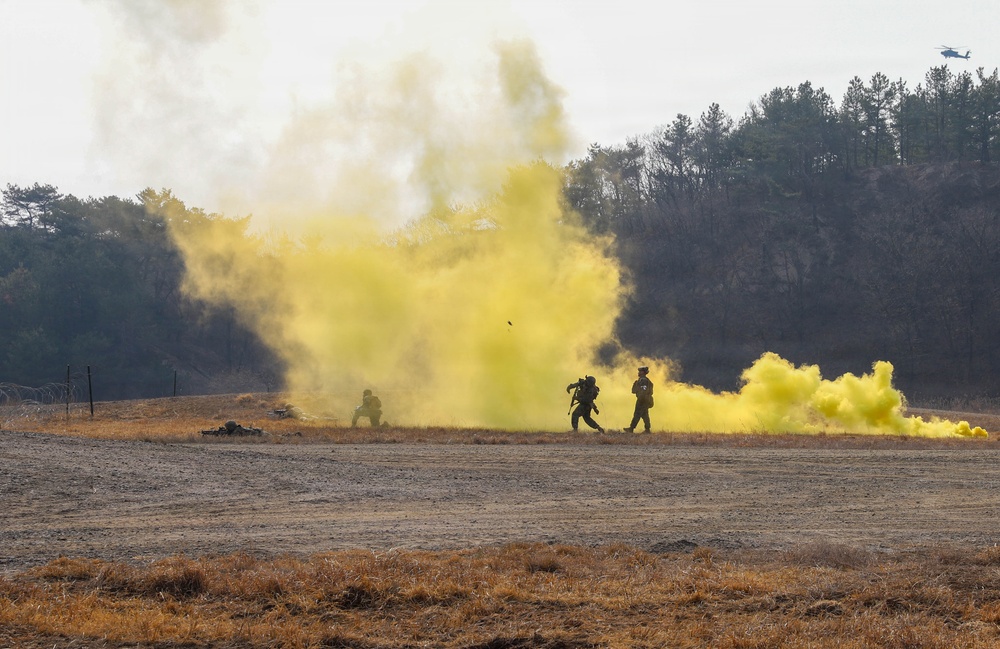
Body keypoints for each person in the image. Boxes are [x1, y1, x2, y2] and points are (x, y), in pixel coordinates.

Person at [624, 366, 654, 433]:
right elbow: (634, 391)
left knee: (637, 414)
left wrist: (641, 399)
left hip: (642, 400)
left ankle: (631, 428)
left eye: (640, 371)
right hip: (644, 400)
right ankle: (647, 429)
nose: (639, 373)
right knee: (645, 415)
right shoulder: (643, 380)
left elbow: (644, 391)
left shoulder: (643, 380)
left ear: (643, 372)